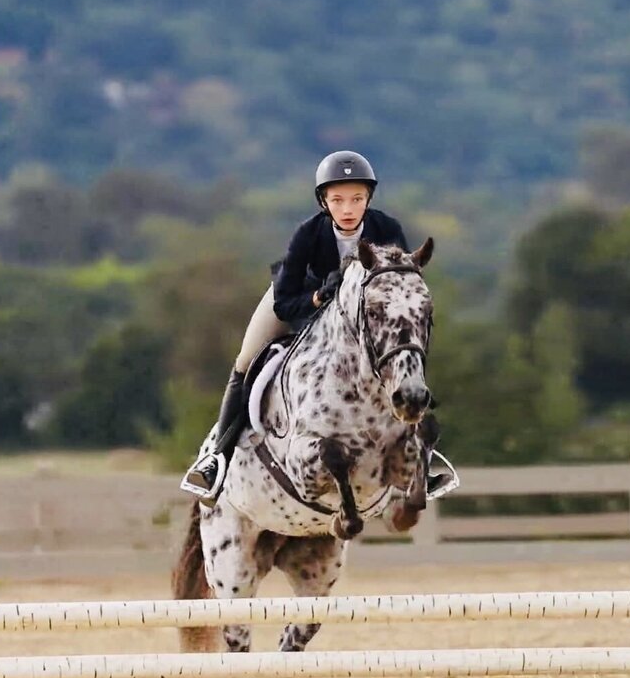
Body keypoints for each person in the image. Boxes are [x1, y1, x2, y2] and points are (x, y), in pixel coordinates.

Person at [183, 150, 453, 504]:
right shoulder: (308, 234)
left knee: (402, 362)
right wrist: (317, 298)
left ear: (368, 198)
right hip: (301, 301)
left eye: (357, 199)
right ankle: (217, 458)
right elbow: (285, 302)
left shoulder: (387, 229)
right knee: (246, 359)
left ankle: (424, 461)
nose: (348, 208)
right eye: (338, 199)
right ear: (324, 201)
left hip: (360, 318)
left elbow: (397, 289)